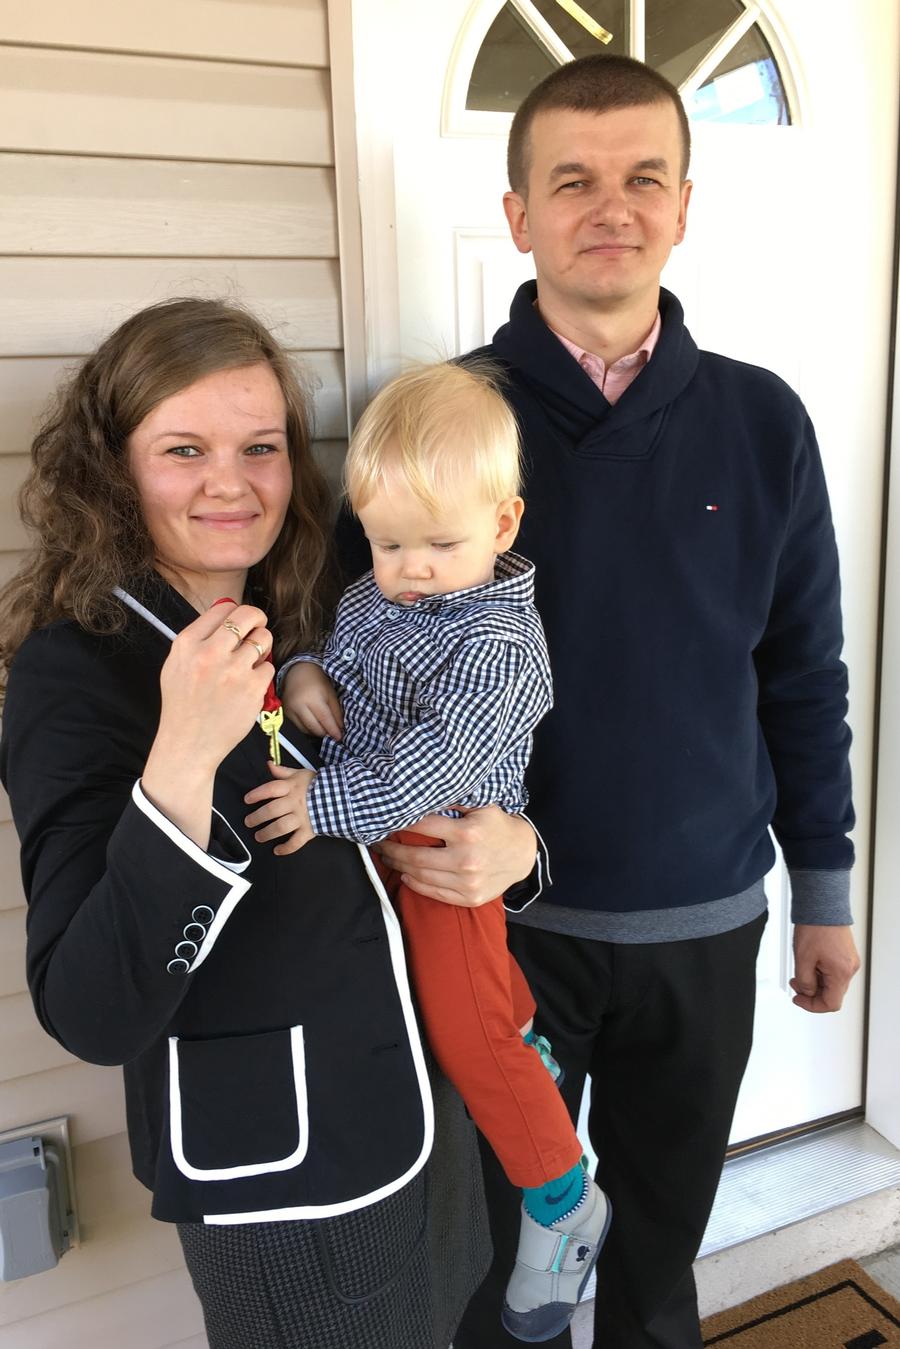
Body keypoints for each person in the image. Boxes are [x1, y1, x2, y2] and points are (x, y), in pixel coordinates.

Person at [335, 54, 861, 1349]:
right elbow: (366, 685)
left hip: (703, 922)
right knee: (497, 1263)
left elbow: (801, 672)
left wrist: (827, 892)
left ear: (685, 204)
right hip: (498, 934)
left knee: (659, 1256)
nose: (609, 207)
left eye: (642, 178)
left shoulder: (762, 421)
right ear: (519, 213)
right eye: (572, 180)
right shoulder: (439, 423)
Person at [0, 298, 494, 1349]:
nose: (232, 480)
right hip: (293, 1179)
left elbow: (436, 784)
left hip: (424, 1103)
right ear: (116, 468)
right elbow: (89, 1008)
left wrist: (519, 852)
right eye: (185, 449)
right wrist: (183, 749)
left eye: (260, 446)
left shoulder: (314, 611)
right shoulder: (76, 667)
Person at [244, 360, 611, 1342]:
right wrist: (303, 666)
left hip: (445, 851)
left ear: (502, 524)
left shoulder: (498, 644)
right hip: (380, 845)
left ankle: (561, 1195)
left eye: (437, 543)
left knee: (464, 1027)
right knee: (470, 1006)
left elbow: (419, 770)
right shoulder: (379, 593)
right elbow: (344, 652)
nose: (406, 567)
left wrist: (320, 799)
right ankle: (523, 1042)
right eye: (387, 539)